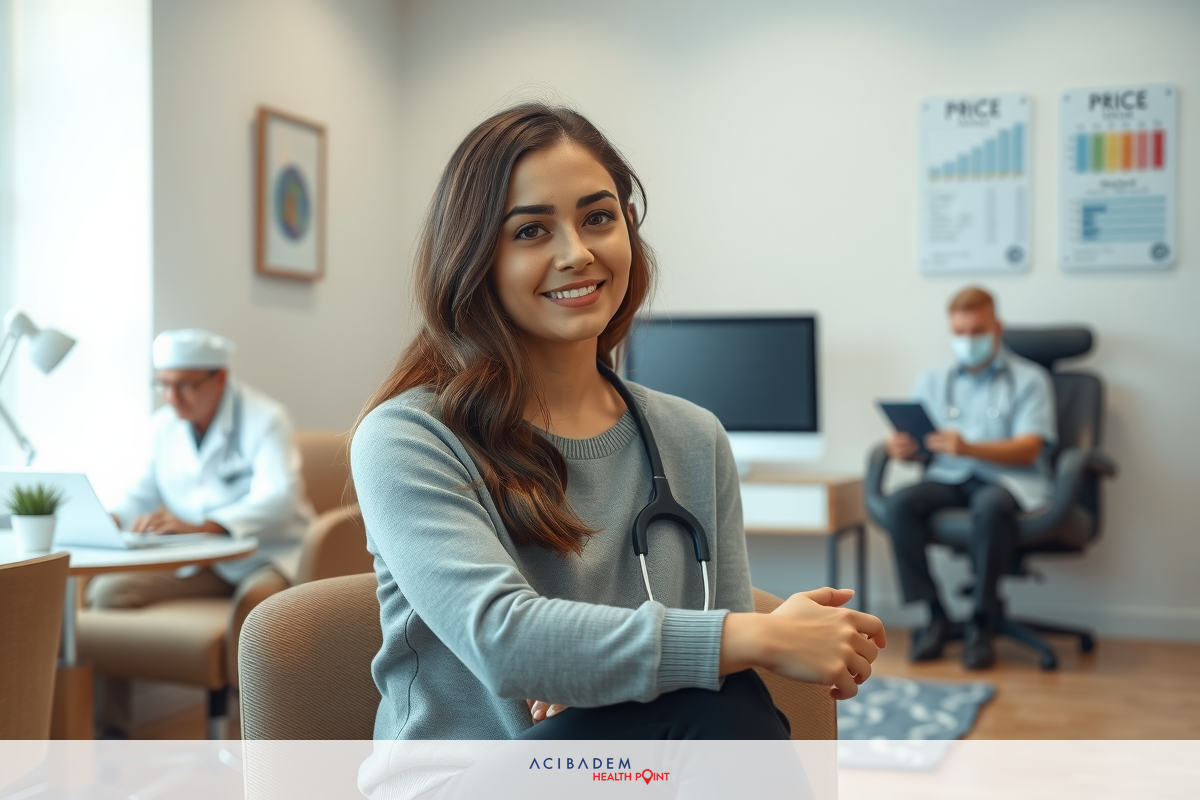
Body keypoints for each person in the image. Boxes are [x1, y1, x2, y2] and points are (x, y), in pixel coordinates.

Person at [351, 104, 885, 798]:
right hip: (464, 782)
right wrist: (763, 636)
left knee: (722, 698)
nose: (577, 252)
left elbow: (712, 664)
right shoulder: (409, 437)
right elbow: (508, 644)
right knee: (715, 702)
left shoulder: (694, 437)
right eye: (531, 230)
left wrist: (601, 674)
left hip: (628, 777)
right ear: (475, 257)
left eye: (598, 218)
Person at [88, 328, 314, 731]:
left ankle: (248, 735)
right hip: (202, 563)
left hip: (267, 557)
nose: (173, 398)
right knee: (106, 592)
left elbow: (279, 496)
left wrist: (205, 525)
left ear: (219, 378)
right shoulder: (163, 427)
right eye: (164, 385)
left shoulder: (266, 418)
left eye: (185, 386)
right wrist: (111, 518)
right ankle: (112, 731)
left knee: (254, 609)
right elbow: (139, 494)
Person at [883, 287, 1056, 670]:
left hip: (1008, 481)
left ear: (997, 328)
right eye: (959, 332)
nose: (967, 340)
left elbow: (1030, 448)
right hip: (950, 476)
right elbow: (925, 445)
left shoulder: (1030, 379)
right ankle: (935, 616)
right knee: (899, 504)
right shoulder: (933, 379)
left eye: (977, 331)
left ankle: (981, 620)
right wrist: (904, 448)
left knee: (990, 505)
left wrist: (969, 447)